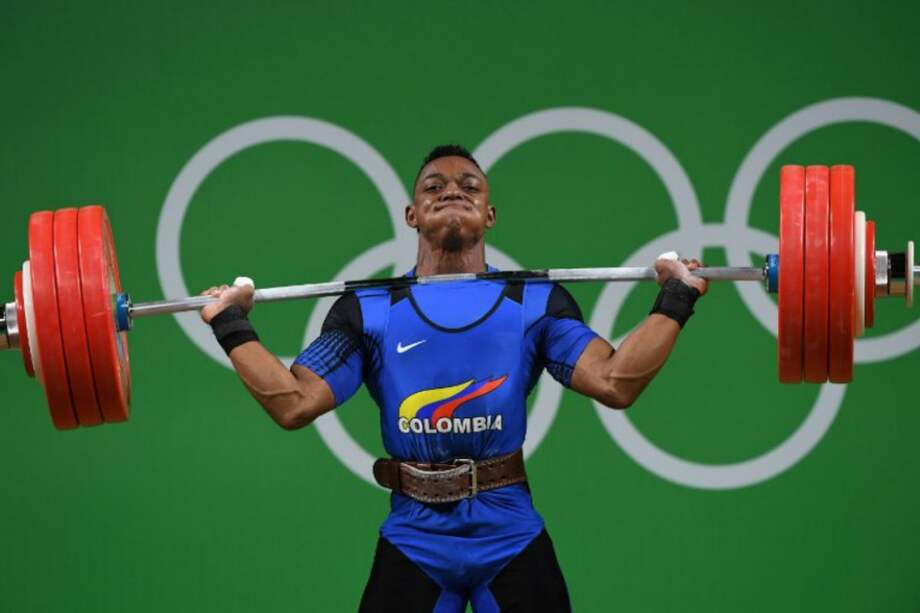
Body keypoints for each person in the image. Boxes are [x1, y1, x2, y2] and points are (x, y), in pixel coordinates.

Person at [199, 144, 707, 612]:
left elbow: (616, 382)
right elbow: (293, 402)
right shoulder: (368, 310)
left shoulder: (535, 303)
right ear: (412, 215)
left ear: (489, 214)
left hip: (510, 532)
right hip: (414, 538)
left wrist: (676, 298)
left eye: (469, 184)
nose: (451, 191)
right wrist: (230, 321)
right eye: (433, 186)